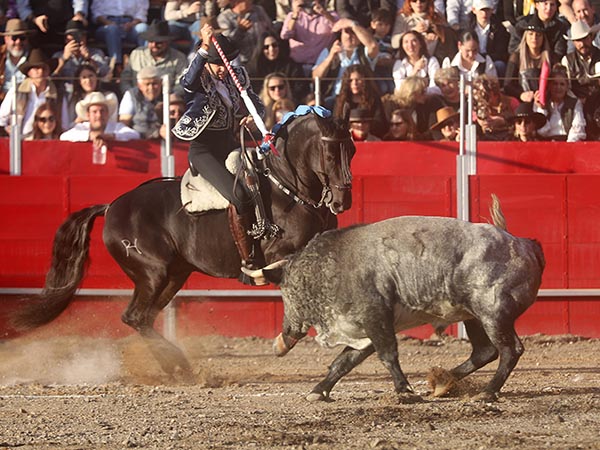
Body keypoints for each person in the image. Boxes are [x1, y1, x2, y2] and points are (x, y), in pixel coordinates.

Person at [171, 24, 265, 277]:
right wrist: (203, 48)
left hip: (231, 144)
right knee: (240, 197)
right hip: (203, 150)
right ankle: (248, 262)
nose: (223, 69)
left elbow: (254, 101)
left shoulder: (238, 75)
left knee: (265, 186)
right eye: (218, 64)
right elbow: (187, 81)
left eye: (226, 62)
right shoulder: (200, 78)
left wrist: (255, 117)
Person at [312, 17, 379, 109]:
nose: (349, 36)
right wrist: (330, 57)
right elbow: (315, 76)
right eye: (346, 32)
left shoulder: (364, 52)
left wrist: (352, 24)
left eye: (353, 32)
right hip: (335, 98)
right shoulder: (329, 51)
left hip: (361, 98)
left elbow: (373, 45)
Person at [0, 48, 58, 137]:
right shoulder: (16, 90)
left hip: (47, 142)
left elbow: (64, 123)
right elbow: (2, 118)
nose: (41, 72)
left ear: (48, 72)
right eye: (36, 68)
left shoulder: (57, 94)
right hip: (21, 142)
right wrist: (8, 130)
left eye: (44, 68)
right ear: (29, 72)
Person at [119, 20, 189, 95]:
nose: (154, 45)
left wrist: (171, 97)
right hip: (137, 99)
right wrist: (130, 94)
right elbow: (125, 78)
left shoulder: (179, 58)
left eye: (159, 42)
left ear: (167, 42)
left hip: (167, 100)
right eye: (151, 41)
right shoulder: (136, 54)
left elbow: (182, 83)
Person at [280, 0, 338, 75]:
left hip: (322, 65)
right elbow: (285, 35)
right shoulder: (292, 16)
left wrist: (324, 13)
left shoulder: (331, 15)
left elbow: (340, 29)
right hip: (298, 65)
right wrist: (295, 15)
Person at [90, 0, 150, 73]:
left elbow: (141, 13)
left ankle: (146, 62)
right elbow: (96, 13)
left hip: (130, 24)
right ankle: (116, 65)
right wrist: (109, 23)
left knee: (143, 28)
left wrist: (132, 24)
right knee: (112, 30)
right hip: (106, 24)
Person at [391, 0, 458, 64]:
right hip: (409, 58)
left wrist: (437, 33)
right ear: (409, 2)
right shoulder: (402, 17)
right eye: (414, 0)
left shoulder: (436, 17)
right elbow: (394, 43)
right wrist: (414, 31)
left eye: (422, 0)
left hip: (434, 57)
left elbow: (448, 38)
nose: (418, 3)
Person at [247, 31, 307, 102]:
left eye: (274, 45)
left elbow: (300, 88)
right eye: (266, 47)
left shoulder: (291, 66)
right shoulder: (253, 67)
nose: (271, 49)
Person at [504, 18, 553, 103]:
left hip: (546, 101)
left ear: (543, 38)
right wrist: (521, 94)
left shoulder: (551, 58)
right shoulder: (516, 57)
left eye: (538, 35)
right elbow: (508, 85)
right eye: (530, 34)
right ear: (525, 37)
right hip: (523, 101)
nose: (534, 38)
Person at [60, 90, 140, 142]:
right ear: (88, 115)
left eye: (102, 111)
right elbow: (64, 137)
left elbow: (135, 135)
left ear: (107, 113)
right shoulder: (82, 127)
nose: (99, 115)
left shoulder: (116, 127)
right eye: (94, 112)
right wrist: (90, 136)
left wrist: (112, 136)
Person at [333, 63, 387, 138]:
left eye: (358, 80)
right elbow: (336, 122)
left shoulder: (374, 99)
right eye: (351, 80)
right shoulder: (340, 101)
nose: (354, 83)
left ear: (365, 81)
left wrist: (364, 128)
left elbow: (381, 124)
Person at [536, 64, 586, 141]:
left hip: (568, 144)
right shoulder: (540, 102)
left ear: (567, 87)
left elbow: (578, 131)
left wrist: (566, 149)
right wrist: (542, 109)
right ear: (549, 86)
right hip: (546, 144)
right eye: (555, 84)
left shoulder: (575, 103)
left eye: (562, 84)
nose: (558, 87)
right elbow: (542, 132)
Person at [51, 19, 110, 84]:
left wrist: (89, 59)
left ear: (86, 38)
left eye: (81, 35)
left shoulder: (96, 53)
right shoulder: (58, 56)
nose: (77, 40)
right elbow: (51, 80)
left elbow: (105, 77)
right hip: (67, 91)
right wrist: (64, 60)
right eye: (72, 36)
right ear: (66, 39)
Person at [61, 63, 119, 129]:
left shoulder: (109, 97)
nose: (88, 80)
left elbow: (113, 122)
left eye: (91, 76)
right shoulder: (73, 99)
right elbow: (67, 126)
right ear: (79, 81)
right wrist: (78, 121)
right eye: (84, 77)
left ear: (96, 78)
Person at [217, 0, 273, 64]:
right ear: (237, 2)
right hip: (243, 61)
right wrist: (240, 30)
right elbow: (228, 43)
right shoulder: (225, 17)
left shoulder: (258, 10)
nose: (251, 1)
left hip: (263, 57)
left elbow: (270, 29)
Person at [17, 0, 88, 48]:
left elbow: (79, 1)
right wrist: (34, 19)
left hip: (66, 21)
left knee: (76, 27)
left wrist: (79, 14)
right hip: (38, 23)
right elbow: (22, 8)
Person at [467, 0, 510, 78]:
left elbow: (501, 52)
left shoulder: (499, 29)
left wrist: (485, 59)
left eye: (487, 10)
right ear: (474, 10)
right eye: (481, 10)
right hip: (472, 59)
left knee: (500, 65)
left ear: (492, 10)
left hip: (492, 60)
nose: (484, 14)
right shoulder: (468, 28)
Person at [119, 65, 163, 139]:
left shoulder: (167, 95)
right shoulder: (130, 95)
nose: (151, 88)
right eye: (147, 84)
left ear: (161, 83)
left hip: (162, 141)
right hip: (138, 141)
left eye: (155, 84)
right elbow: (124, 124)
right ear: (139, 85)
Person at [561, 20, 600, 100]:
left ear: (591, 37)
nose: (582, 44)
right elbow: (566, 88)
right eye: (578, 40)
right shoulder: (567, 60)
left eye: (585, 38)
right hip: (575, 102)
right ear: (573, 42)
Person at [392, 30, 440, 94]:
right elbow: (400, 89)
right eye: (406, 42)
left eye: (414, 41)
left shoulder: (431, 61)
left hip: (428, 98)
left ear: (420, 44)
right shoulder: (399, 64)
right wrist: (415, 70)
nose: (410, 45)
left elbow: (435, 87)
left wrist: (420, 93)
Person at [472, 74, 517, 140]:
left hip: (508, 138)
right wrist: (482, 122)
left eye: (486, 95)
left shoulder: (511, 102)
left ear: (495, 93)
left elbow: (520, 121)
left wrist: (503, 121)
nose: (482, 98)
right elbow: (474, 122)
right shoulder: (478, 106)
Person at [0, 18, 31, 101]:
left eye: (22, 38)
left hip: (25, 105)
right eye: (14, 38)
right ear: (6, 39)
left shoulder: (34, 57)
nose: (18, 42)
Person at [369, 8, 395, 95]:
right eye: (380, 24)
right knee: (382, 87)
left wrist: (390, 61)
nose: (383, 28)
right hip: (375, 69)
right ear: (373, 25)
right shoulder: (371, 40)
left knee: (392, 87)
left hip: (387, 69)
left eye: (387, 25)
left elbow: (393, 54)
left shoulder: (390, 41)